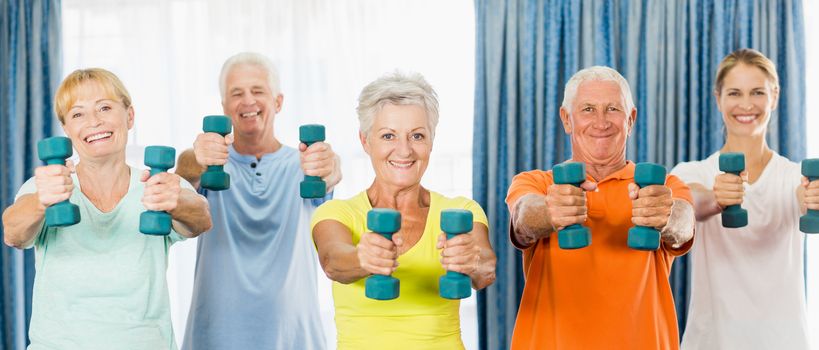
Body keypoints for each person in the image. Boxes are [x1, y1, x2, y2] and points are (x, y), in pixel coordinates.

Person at [1, 68, 211, 349]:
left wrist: (179, 201)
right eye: (78, 114)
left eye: (104, 107)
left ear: (130, 116)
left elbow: (201, 219)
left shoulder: (157, 185)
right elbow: (13, 232)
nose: (94, 122)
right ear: (66, 129)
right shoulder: (47, 186)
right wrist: (41, 199)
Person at [506, 66, 696, 349]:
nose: (601, 122)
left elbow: (684, 221)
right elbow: (523, 217)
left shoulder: (662, 187)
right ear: (566, 119)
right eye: (587, 109)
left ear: (630, 120)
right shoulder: (536, 183)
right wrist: (550, 211)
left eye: (612, 109)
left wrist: (665, 215)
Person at [310, 71, 497, 349]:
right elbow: (333, 261)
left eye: (417, 136)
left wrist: (472, 259)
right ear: (365, 141)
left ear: (431, 141)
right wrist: (363, 257)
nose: (404, 150)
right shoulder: (338, 213)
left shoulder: (460, 210)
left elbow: (485, 269)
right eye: (388, 136)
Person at [177, 52, 341, 350]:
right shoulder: (207, 166)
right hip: (214, 339)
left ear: (278, 102)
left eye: (258, 91)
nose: (248, 101)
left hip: (294, 340)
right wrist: (195, 156)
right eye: (236, 93)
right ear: (223, 107)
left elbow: (331, 174)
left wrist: (330, 165)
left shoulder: (305, 166)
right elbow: (183, 175)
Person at [670, 48, 816, 349]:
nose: (746, 104)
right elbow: (686, 203)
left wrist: (811, 197)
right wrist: (716, 198)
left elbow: (803, 198)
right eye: (735, 93)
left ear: (774, 96)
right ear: (718, 98)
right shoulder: (691, 172)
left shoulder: (794, 176)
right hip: (711, 341)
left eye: (758, 92)